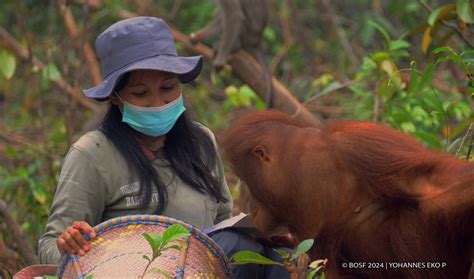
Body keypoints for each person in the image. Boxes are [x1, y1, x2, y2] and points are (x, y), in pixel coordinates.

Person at [38, 16, 288, 278]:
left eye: (168, 87)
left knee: (271, 258)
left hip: (207, 269)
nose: (158, 102)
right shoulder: (92, 154)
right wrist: (68, 244)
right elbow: (50, 246)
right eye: (141, 94)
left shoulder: (201, 142)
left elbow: (223, 222)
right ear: (115, 96)